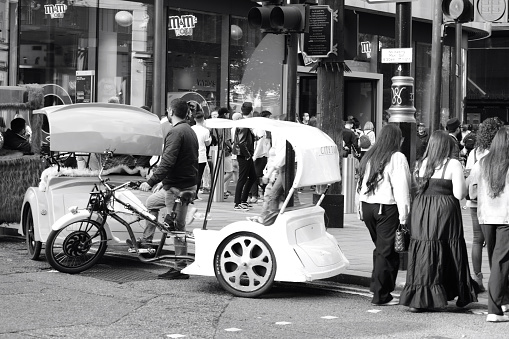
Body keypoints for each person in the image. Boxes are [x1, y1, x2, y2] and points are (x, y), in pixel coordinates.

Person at [399, 130, 478, 312]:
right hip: (444, 211)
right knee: (449, 249)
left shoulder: (420, 163)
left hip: (421, 210)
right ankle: (458, 292)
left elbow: (415, 188)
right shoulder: (453, 164)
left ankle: (419, 297)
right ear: (447, 146)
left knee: (424, 249)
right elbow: (459, 194)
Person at [136, 98, 199, 280]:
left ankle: (180, 267)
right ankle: (147, 243)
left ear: (171, 112)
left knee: (176, 228)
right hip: (179, 184)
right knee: (151, 203)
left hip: (177, 189)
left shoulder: (176, 132)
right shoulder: (189, 130)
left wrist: (151, 180)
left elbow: (168, 161)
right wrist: (161, 183)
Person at [357, 124, 411, 306]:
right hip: (386, 207)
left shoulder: (370, 155)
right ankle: (381, 295)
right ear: (397, 139)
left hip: (368, 207)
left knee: (381, 249)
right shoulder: (397, 157)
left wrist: (359, 208)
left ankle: (378, 287)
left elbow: (361, 183)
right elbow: (402, 188)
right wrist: (404, 217)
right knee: (386, 252)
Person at [468, 127, 509, 322]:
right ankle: (494, 310)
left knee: (496, 262)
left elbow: (472, 190)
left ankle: (502, 300)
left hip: (485, 217)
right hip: (505, 218)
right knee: (500, 263)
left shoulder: (482, 163)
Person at [465, 117, 503, 292]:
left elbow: (469, 175)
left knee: (477, 240)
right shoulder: (500, 152)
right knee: (497, 245)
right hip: (494, 202)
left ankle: (477, 278)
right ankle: (498, 280)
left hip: (476, 203)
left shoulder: (475, 152)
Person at [233, 102, 257, 211]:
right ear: (251, 111)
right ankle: (238, 202)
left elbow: (243, 140)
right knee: (243, 178)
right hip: (244, 154)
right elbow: (242, 142)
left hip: (244, 154)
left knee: (252, 177)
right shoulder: (244, 123)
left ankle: (242, 200)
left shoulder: (243, 122)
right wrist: (247, 155)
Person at [248, 110, 272, 203]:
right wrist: (255, 156)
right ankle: (256, 194)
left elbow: (264, 143)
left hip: (261, 155)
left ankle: (257, 194)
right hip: (260, 155)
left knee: (258, 175)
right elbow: (260, 143)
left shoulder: (262, 128)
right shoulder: (260, 128)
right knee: (257, 175)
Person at [191, 112, 212, 201]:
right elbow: (207, 143)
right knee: (199, 175)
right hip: (202, 155)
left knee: (191, 175)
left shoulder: (190, 129)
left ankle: (190, 193)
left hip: (191, 155)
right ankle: (195, 195)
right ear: (203, 119)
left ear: (194, 119)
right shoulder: (206, 131)